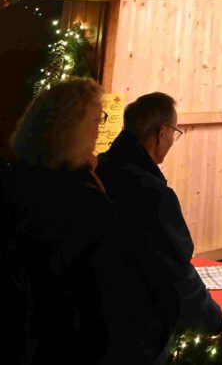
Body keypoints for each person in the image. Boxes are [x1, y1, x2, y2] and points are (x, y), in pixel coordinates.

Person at [1, 77, 160, 364]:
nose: (100, 129)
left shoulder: (11, 178)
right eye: (99, 120)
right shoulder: (83, 201)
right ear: (75, 129)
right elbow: (108, 298)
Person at [98, 92, 222, 358]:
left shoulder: (100, 170)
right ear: (161, 132)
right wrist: (214, 319)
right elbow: (176, 271)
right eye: (174, 132)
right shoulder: (152, 193)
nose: (172, 141)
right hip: (135, 334)